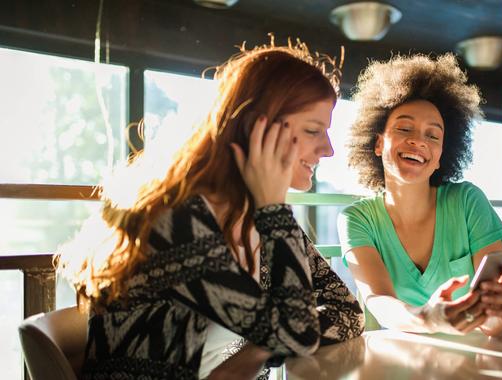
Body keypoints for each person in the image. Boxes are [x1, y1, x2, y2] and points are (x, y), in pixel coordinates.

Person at [56, 41, 365, 380]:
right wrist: (274, 210)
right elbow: (298, 333)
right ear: (256, 128)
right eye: (313, 130)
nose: (329, 149)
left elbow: (347, 311)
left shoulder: (255, 218)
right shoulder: (177, 221)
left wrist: (255, 352)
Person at [337, 53, 502, 337]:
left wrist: (500, 314)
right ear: (377, 143)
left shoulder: (468, 202)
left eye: (433, 135)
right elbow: (379, 301)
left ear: (441, 157)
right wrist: (428, 319)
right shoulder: (356, 219)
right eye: (404, 128)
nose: (419, 141)